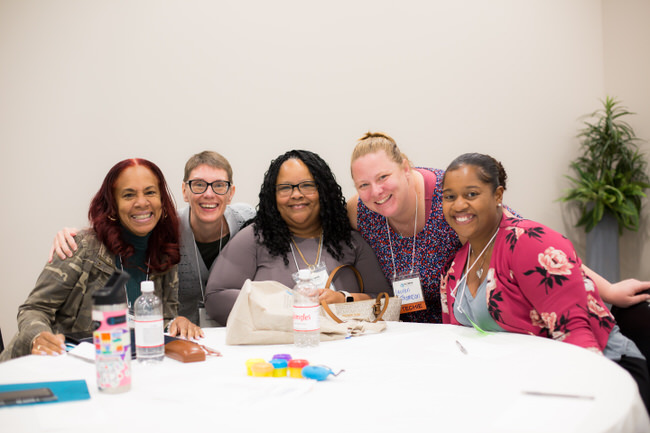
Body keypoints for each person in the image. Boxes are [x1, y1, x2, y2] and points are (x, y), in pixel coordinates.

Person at [348, 132, 650, 324]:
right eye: (364, 184)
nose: (376, 191)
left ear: (405, 167)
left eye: (383, 177)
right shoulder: (361, 211)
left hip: (467, 333)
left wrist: (608, 290)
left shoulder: (451, 196)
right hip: (406, 339)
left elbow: (528, 241)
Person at [439, 152, 649, 411]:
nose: (458, 205)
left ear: (497, 196)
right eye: (450, 196)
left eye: (471, 194)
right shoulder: (456, 266)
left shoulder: (530, 243)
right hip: (524, 384)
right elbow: (452, 340)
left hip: (602, 375)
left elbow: (576, 334)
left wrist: (584, 406)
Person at [0, 158, 196, 361]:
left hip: (121, 365)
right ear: (113, 205)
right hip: (52, 364)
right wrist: (38, 336)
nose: (141, 202)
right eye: (129, 195)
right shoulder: (81, 247)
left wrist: (176, 322)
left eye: (150, 192)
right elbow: (34, 309)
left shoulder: (165, 252)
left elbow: (163, 319)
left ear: (162, 200)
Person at [48, 151, 255, 327]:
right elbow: (127, 222)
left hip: (234, 339)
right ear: (184, 191)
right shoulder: (168, 233)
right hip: (184, 345)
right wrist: (75, 236)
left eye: (219, 185)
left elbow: (280, 226)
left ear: (231, 193)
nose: (209, 194)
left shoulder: (248, 221)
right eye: (199, 185)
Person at [205, 149, 392, 325]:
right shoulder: (253, 239)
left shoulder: (351, 242)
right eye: (285, 188)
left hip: (344, 347)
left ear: (324, 191)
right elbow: (215, 299)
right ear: (273, 195)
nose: (296, 194)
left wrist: (344, 299)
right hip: (275, 351)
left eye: (307, 186)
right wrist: (283, 304)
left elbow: (385, 300)